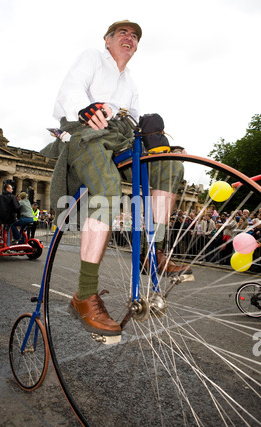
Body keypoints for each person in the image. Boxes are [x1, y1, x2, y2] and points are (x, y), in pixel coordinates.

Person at [50, 20, 192, 336]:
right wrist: (83, 108)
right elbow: (70, 87)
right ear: (108, 40)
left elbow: (138, 119)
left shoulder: (130, 82)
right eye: (123, 33)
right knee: (108, 187)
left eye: (135, 36)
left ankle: (151, 252)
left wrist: (156, 137)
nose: (130, 38)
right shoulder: (92, 57)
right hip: (87, 131)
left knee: (170, 167)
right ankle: (84, 295)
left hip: (122, 137)